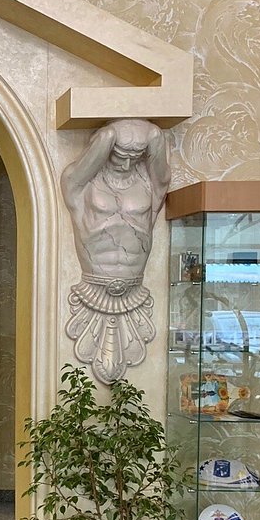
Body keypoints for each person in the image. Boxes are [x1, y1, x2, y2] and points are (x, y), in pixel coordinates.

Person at [61, 119, 170, 383]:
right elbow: (80, 170)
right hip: (91, 287)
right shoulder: (82, 187)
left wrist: (153, 136)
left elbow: (162, 176)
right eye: (120, 156)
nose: (126, 164)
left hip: (135, 291)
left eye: (135, 157)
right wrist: (108, 136)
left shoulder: (148, 186)